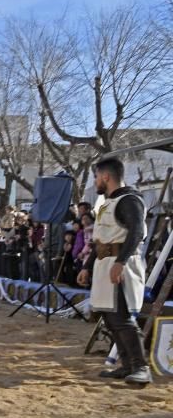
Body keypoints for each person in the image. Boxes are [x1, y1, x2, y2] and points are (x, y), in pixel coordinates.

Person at [77, 157, 150, 384]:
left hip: (120, 265)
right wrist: (87, 267)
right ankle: (127, 365)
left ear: (105, 176)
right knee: (110, 318)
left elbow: (136, 232)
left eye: (96, 176)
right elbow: (100, 240)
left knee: (122, 317)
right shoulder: (108, 203)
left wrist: (120, 262)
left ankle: (141, 367)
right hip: (104, 263)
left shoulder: (129, 200)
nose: (96, 181)